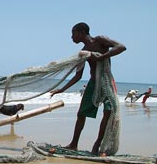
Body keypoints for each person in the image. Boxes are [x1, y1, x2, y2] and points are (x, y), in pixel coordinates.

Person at [50, 22, 126, 155]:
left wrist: (102, 57)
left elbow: (121, 47)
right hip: (93, 83)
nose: (72, 37)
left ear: (81, 32)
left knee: (108, 113)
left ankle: (97, 144)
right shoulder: (83, 52)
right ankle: (74, 144)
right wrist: (62, 89)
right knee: (81, 114)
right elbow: (78, 75)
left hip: (107, 82)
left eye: (73, 34)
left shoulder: (100, 40)